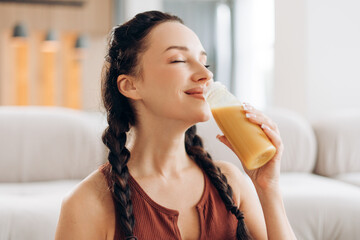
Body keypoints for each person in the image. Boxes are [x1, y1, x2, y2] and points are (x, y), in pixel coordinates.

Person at [55, 10, 297, 240]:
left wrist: (268, 187)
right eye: (179, 60)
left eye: (205, 63)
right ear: (130, 86)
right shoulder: (87, 203)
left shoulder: (231, 183)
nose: (205, 74)